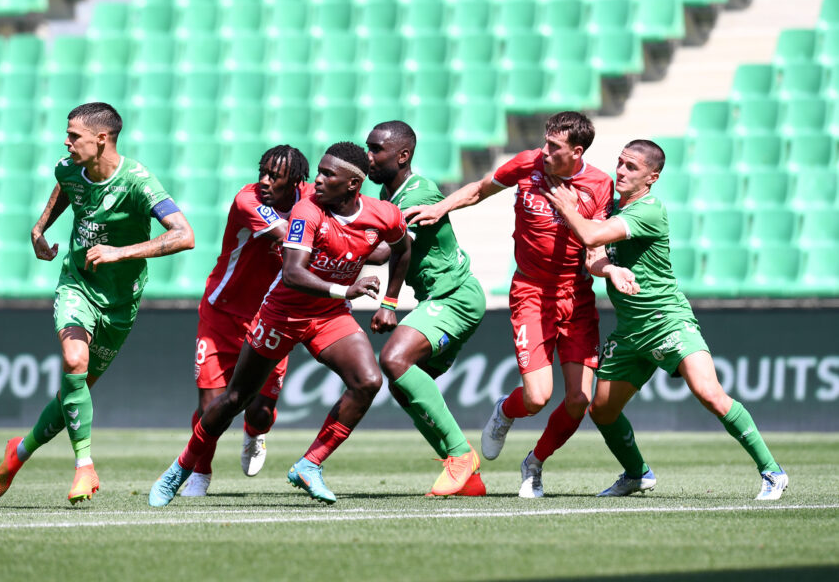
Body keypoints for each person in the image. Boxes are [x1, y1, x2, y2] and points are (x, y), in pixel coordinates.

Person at [149, 141, 411, 507]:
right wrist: (347, 284)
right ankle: (183, 468)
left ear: (352, 185)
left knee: (367, 381)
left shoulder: (380, 213)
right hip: (278, 313)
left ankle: (309, 464)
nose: (319, 181)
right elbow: (292, 272)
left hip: (328, 314)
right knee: (233, 399)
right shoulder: (301, 209)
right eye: (318, 173)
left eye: (327, 174)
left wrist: (389, 302)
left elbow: (399, 248)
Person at [541, 139, 788, 500]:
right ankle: (637, 473)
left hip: (667, 320)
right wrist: (610, 269)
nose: (620, 172)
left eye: (631, 168)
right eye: (620, 163)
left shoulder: (649, 210)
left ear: (651, 178)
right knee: (602, 411)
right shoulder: (610, 206)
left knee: (709, 394)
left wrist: (568, 206)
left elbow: (590, 234)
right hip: (630, 331)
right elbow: (592, 257)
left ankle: (772, 472)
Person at [0, 102, 195, 504]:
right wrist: (40, 227)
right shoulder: (67, 167)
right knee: (74, 361)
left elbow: (184, 235)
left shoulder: (137, 181)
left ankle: (19, 453)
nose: (66, 142)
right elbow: (68, 186)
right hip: (77, 283)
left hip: (120, 301)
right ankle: (85, 466)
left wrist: (121, 252)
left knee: (74, 392)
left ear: (102, 139)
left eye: (74, 136)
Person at [406, 111, 614, 498]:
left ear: (577, 151)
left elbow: (595, 250)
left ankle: (534, 464)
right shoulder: (527, 163)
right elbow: (480, 188)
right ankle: (505, 411)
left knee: (578, 400)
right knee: (536, 397)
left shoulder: (600, 184)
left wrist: (611, 272)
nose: (544, 151)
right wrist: (440, 208)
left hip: (578, 298)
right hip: (532, 293)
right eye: (545, 141)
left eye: (554, 147)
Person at [180, 145, 312, 498]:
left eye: (275, 175)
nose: (265, 181)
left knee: (261, 410)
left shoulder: (312, 199)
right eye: (263, 172)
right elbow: (293, 237)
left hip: (273, 316)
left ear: (296, 180)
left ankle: (255, 434)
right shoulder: (248, 201)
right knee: (211, 407)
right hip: (221, 312)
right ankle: (200, 473)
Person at [365, 121, 484, 496]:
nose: (368, 157)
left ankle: (462, 456)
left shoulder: (420, 192)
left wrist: (330, 243)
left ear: (402, 155)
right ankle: (467, 477)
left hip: (456, 296)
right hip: (437, 299)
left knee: (394, 360)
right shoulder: (388, 196)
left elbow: (391, 250)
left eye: (376, 150)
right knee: (403, 386)